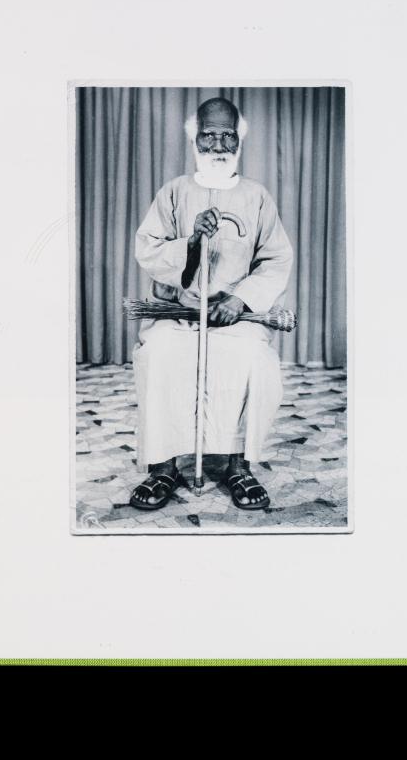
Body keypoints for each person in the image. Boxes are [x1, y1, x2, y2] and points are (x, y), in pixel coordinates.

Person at [129, 97, 294, 511]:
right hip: (180, 311)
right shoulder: (174, 192)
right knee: (160, 355)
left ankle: (239, 463)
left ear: (238, 140)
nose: (218, 143)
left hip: (235, 315)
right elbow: (148, 250)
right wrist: (191, 244)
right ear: (194, 138)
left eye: (227, 135)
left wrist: (241, 299)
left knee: (253, 360)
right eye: (209, 134)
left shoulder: (257, 196)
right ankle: (163, 465)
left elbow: (276, 258)